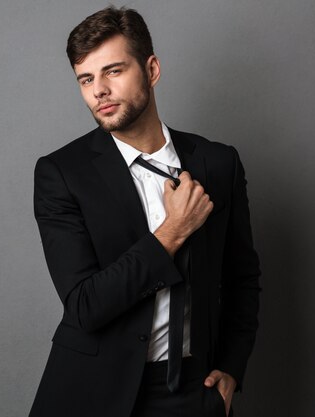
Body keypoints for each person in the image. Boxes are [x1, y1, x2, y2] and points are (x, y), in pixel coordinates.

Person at [30, 6, 261, 417]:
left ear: (151, 69)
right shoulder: (62, 174)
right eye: (86, 79)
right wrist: (173, 231)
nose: (98, 90)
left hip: (194, 389)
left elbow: (242, 279)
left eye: (113, 71)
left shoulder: (218, 163)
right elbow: (85, 305)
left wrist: (231, 367)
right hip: (92, 392)